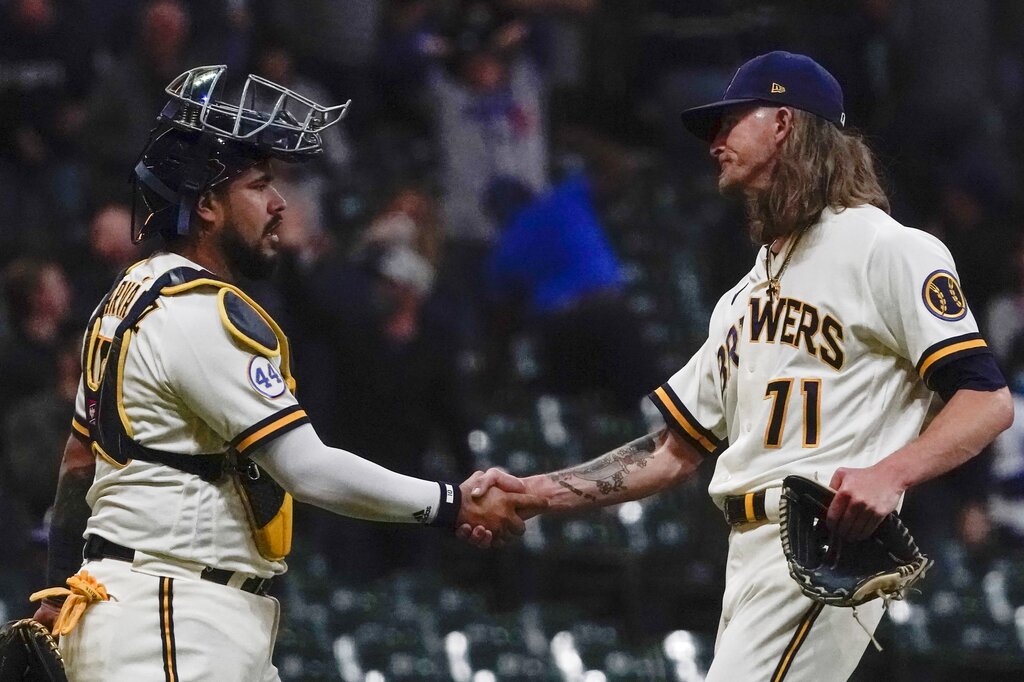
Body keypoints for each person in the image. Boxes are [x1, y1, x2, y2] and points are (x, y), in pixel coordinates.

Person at [465, 51, 1014, 680]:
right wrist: (535, 493)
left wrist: (892, 472)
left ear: (784, 122)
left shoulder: (888, 248)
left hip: (818, 548)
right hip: (747, 555)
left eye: (730, 122)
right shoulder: (741, 297)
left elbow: (985, 399)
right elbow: (671, 451)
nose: (715, 143)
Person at [30, 65, 543, 681]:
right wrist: (453, 503)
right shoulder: (199, 313)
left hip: (151, 608)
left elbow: (78, 463)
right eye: (258, 185)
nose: (279, 205)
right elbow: (307, 468)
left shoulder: (128, 297)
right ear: (208, 206)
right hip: (171, 618)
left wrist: (58, 590)